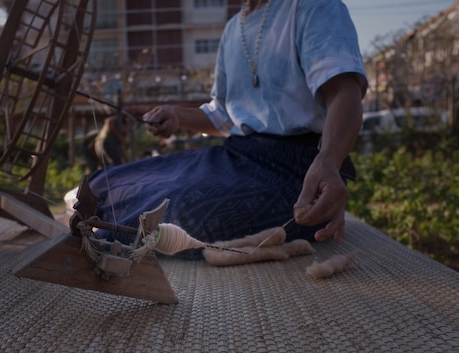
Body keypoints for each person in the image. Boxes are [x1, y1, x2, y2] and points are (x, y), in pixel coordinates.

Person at [87, 0, 368, 258]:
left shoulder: (313, 6)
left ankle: (102, 241)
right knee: (105, 183)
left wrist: (329, 160)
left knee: (187, 215)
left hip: (296, 171)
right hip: (236, 156)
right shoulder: (234, 28)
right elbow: (223, 115)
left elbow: (344, 91)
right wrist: (177, 115)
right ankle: (101, 230)